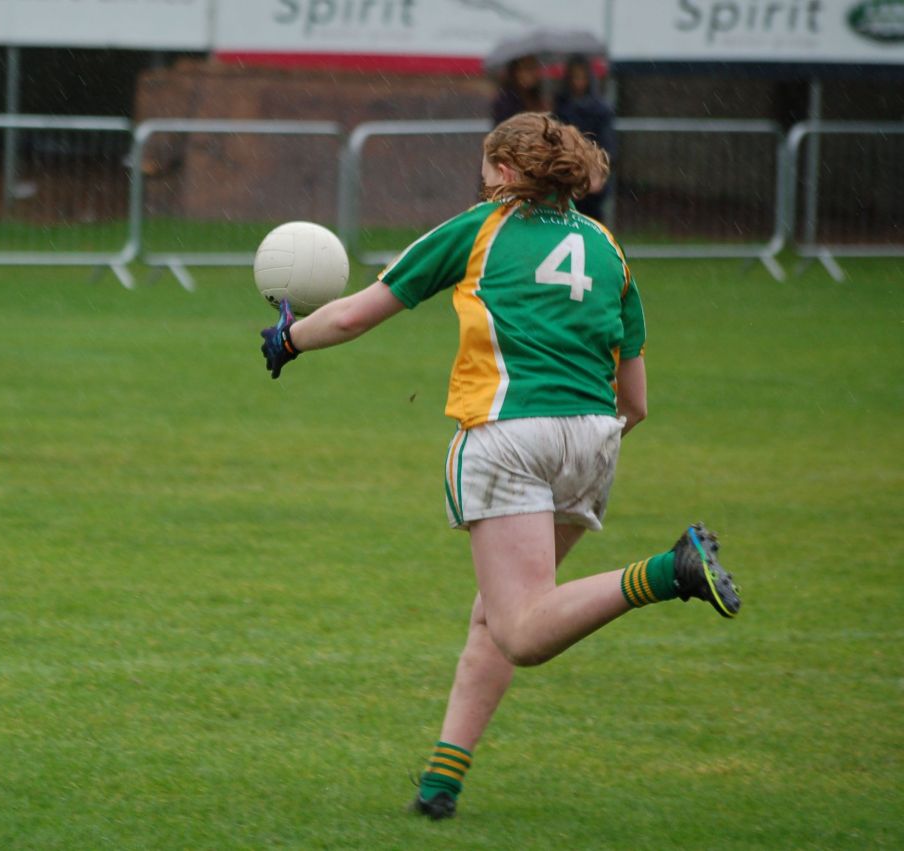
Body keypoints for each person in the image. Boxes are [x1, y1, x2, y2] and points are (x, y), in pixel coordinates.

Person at [259, 113, 741, 821]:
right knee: (501, 612)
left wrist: (289, 339)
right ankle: (441, 783)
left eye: (488, 168)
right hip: (593, 439)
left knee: (521, 630)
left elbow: (357, 315)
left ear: (509, 174)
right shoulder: (608, 248)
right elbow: (634, 402)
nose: (482, 181)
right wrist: (579, 442)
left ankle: (670, 571)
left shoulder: (481, 226)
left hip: (509, 435)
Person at [554, 56, 617, 220]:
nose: (578, 83)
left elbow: (606, 144)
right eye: (575, 77)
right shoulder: (561, 106)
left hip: (589, 172)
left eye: (582, 77)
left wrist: (595, 165)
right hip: (567, 175)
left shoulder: (599, 110)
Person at [492, 55, 547, 125]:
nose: (532, 73)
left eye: (534, 68)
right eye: (527, 68)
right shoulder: (506, 101)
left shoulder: (537, 98)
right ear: (515, 72)